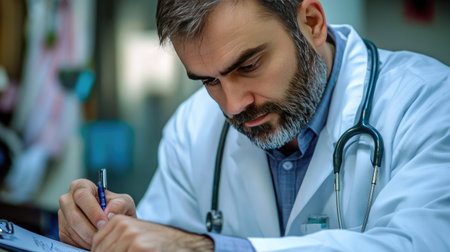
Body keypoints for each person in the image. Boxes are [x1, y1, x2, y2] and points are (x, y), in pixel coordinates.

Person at [58, 0, 450, 251]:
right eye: (209, 80)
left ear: (311, 22)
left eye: (248, 66)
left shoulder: (429, 100)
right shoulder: (191, 128)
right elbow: (169, 237)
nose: (233, 106)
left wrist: (207, 248)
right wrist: (120, 232)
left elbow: (422, 242)